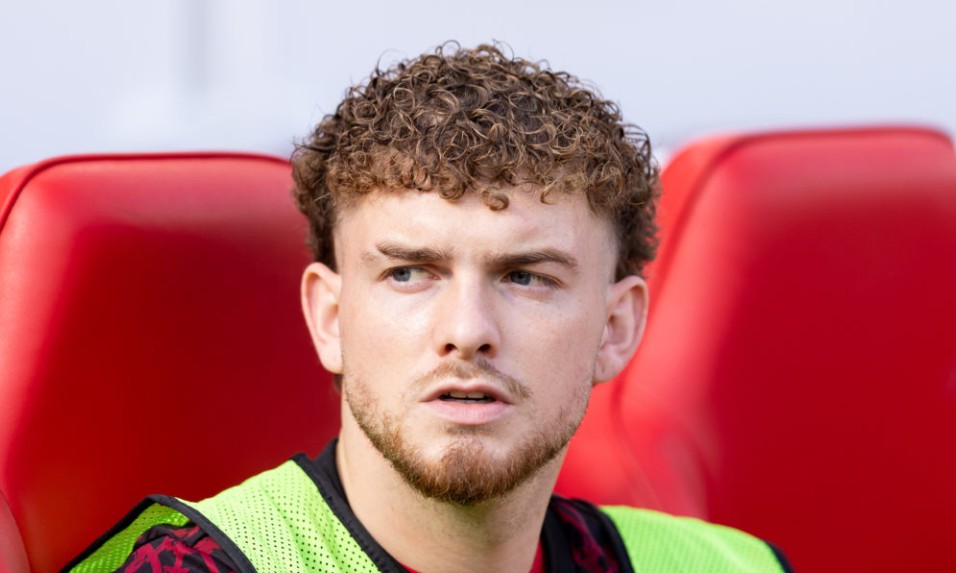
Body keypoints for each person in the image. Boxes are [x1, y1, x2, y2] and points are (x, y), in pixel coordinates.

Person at [65, 43, 792, 573]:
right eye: (410, 273)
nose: (467, 331)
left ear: (615, 327)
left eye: (526, 277)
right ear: (330, 318)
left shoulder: (732, 567)